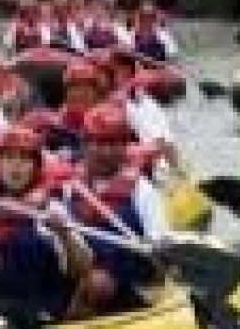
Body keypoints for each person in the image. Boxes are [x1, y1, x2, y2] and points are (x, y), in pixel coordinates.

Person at [0, 126, 92, 321]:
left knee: (25, 240)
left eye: (24, 159)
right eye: (8, 158)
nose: (15, 166)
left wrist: (64, 235)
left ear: (36, 167)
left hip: (41, 307)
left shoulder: (51, 207)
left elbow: (83, 268)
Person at [63, 103, 167, 317]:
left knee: (98, 283)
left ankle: (70, 326)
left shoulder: (142, 190)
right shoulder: (68, 183)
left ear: (126, 146)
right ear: (86, 144)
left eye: (114, 143)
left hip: (129, 270)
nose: (107, 151)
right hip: (80, 262)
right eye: (99, 143)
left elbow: (160, 245)